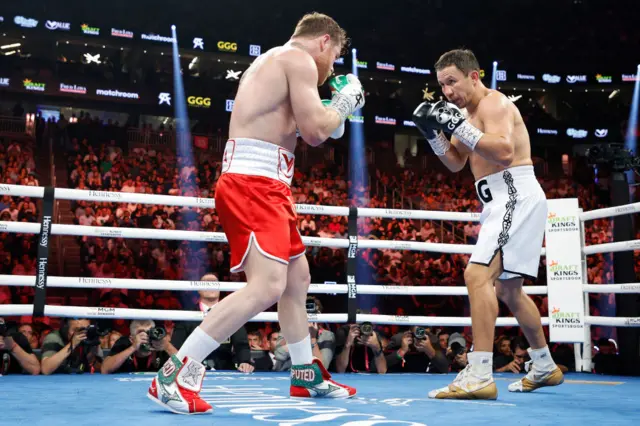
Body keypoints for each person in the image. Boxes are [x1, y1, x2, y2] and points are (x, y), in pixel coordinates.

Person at [149, 12, 364, 414]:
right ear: (323, 41)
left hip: (269, 184)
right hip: (254, 182)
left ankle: (305, 374)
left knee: (297, 280)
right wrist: (345, 100)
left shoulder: (278, 63)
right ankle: (174, 373)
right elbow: (320, 132)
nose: (332, 67)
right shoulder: (297, 59)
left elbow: (318, 126)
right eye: (334, 56)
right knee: (267, 285)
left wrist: (337, 107)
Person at [413, 49, 563, 400]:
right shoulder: (464, 114)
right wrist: (432, 132)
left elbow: (503, 152)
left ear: (474, 76)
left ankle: (479, 372)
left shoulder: (493, 105)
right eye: (441, 85)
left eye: (452, 82)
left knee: (477, 276)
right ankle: (544, 365)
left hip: (514, 192)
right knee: (509, 289)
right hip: (501, 200)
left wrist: (456, 123)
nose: (447, 91)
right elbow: (454, 162)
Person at [170, 274, 254, 373]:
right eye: (206, 282)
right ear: (199, 289)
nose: (211, 285)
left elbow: (241, 344)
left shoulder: (231, 312)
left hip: (225, 370)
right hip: (192, 371)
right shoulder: (187, 315)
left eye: (214, 283)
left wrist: (244, 362)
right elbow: (177, 346)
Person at [101, 320, 177, 374]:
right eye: (141, 333)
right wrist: (133, 347)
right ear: (131, 339)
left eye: (149, 332)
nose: (146, 337)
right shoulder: (124, 343)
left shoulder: (160, 343)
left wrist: (167, 347)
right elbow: (105, 369)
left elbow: (186, 368)